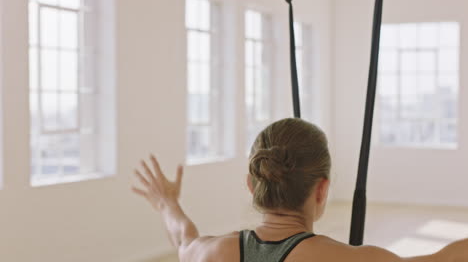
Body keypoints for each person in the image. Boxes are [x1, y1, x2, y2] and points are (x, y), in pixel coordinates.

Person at [132, 118, 468, 262]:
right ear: (322, 190)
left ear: (251, 185)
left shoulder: (207, 253)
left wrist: (167, 203)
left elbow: (182, 239)